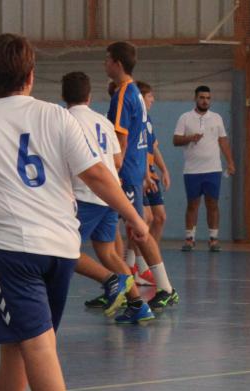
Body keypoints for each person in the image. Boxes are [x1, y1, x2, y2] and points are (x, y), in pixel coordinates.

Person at [0, 33, 148, 391]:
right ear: (31, 75)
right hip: (61, 251)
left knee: (37, 346)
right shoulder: (57, 116)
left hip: (12, 253)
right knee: (17, 344)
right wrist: (134, 216)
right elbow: (99, 174)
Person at [62, 71, 156, 323]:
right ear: (89, 96)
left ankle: (111, 280)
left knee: (64, 251)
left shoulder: (64, 119)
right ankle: (138, 304)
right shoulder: (103, 121)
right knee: (109, 253)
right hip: (110, 195)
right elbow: (116, 160)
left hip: (86, 196)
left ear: (63, 96)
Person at [106, 41, 179, 310]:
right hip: (135, 171)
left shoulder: (124, 94)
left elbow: (121, 142)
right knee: (126, 228)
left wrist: (114, 172)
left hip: (126, 172)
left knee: (135, 229)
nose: (105, 65)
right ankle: (125, 283)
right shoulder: (134, 91)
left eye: (107, 60)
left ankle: (160, 287)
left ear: (117, 63)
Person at [173, 85, 236, 252]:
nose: (205, 101)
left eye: (208, 98)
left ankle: (213, 239)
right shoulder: (185, 118)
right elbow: (176, 140)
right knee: (192, 204)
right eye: (202, 97)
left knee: (212, 204)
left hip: (213, 169)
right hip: (192, 170)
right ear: (195, 98)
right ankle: (189, 239)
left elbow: (223, 141)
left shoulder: (216, 118)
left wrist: (230, 162)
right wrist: (190, 138)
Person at [130, 80, 170, 286]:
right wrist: (144, 174)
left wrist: (164, 170)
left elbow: (152, 148)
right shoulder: (134, 118)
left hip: (149, 172)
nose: (153, 100)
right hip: (138, 173)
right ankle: (138, 265)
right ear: (141, 98)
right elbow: (139, 150)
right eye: (149, 96)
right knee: (142, 219)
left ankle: (149, 259)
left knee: (160, 217)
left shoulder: (148, 120)